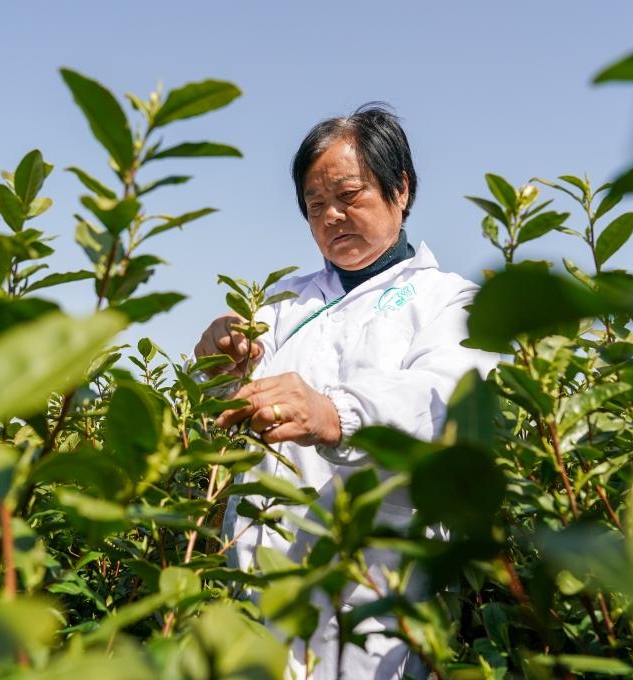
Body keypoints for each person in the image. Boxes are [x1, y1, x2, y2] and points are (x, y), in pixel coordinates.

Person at [194, 103, 497, 679]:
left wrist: (335, 414)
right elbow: (229, 410)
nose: (332, 216)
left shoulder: (449, 303)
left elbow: (440, 401)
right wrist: (218, 360)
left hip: (376, 597)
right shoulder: (284, 301)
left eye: (349, 195)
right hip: (263, 591)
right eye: (315, 205)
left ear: (400, 190)